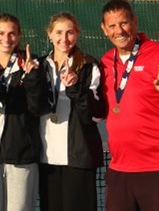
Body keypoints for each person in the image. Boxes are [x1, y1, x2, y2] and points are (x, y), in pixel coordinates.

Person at [98, 0, 159, 210]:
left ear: (135, 22)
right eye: (112, 26)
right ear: (104, 29)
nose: (119, 31)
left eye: (123, 23)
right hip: (119, 167)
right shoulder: (104, 62)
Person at [0, 13, 49, 211]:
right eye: (0, 33)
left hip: (21, 157)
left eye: (11, 33)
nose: (6, 39)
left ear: (19, 36)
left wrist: (32, 78)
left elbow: (38, 107)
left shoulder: (32, 67)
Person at [37, 12, 105, 211]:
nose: (64, 38)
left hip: (78, 156)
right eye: (58, 32)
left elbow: (96, 114)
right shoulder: (39, 66)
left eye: (70, 32)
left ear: (77, 34)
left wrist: (76, 88)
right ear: (49, 34)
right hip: (46, 156)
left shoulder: (89, 66)